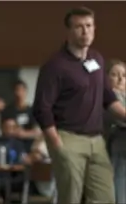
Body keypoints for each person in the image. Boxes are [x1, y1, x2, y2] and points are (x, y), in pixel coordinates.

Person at [33, 7, 126, 204]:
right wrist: (57, 145)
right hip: (68, 138)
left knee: (105, 197)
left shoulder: (97, 59)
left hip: (96, 140)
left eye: (89, 26)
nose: (85, 32)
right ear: (69, 31)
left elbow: (109, 99)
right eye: (79, 27)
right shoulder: (55, 65)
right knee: (71, 198)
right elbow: (42, 109)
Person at [105, 59, 126, 203]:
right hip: (114, 147)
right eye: (115, 74)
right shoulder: (109, 96)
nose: (120, 79)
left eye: (124, 75)